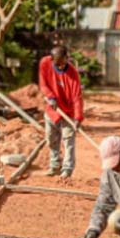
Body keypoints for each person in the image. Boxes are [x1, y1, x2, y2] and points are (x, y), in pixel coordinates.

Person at [38, 45, 84, 178]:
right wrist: (50, 96)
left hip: (68, 112)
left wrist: (78, 118)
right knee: (51, 138)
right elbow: (43, 84)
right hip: (51, 110)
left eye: (63, 64)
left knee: (68, 140)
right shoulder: (44, 63)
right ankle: (54, 165)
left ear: (67, 58)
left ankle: (67, 170)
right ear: (51, 60)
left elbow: (77, 97)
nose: (61, 67)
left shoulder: (73, 74)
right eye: (58, 65)